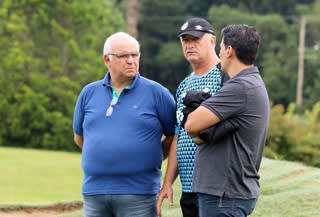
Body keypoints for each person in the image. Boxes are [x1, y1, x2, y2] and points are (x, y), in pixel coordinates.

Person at [72, 32, 176, 217]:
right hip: (94, 193)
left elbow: (174, 135)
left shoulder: (157, 93)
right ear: (107, 59)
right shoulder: (88, 93)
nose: (131, 60)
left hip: (140, 194)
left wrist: (151, 155)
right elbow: (80, 137)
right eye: (123, 56)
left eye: (135, 55)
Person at [184, 24, 270, 217]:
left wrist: (197, 121)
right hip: (229, 193)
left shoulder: (240, 87)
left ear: (229, 51)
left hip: (224, 195)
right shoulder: (250, 83)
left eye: (221, 47)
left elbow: (191, 124)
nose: (219, 52)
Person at [156, 17, 225, 217]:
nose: (189, 45)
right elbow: (178, 137)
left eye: (195, 39)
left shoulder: (225, 76)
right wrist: (168, 182)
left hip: (215, 186)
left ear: (212, 41)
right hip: (189, 188)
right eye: (185, 40)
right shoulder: (184, 85)